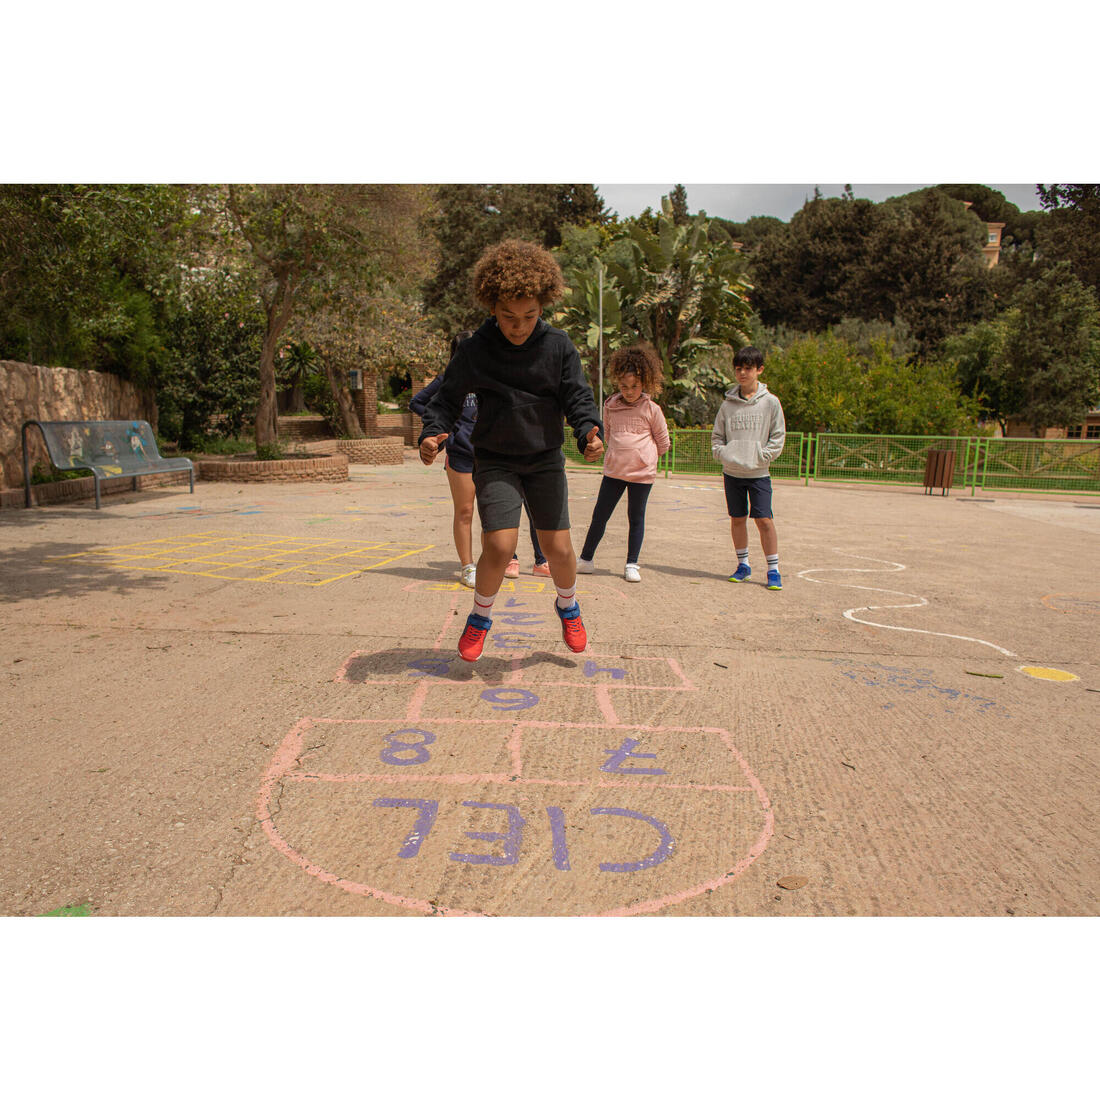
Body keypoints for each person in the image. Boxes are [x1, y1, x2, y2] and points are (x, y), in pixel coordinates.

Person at [418, 238, 604, 662]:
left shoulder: (557, 346)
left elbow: (577, 396)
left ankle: (568, 606)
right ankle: (480, 617)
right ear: (492, 307)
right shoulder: (475, 349)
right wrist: (432, 433)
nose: (518, 327)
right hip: (496, 459)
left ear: (543, 307)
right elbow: (445, 400)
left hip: (543, 459)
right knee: (500, 547)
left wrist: (588, 432)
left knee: (558, 549)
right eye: (508, 317)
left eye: (529, 317)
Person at [410, 335, 549, 588]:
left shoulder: (493, 377)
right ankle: (467, 566)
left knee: (492, 514)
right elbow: (418, 402)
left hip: (491, 454)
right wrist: (444, 427)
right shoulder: (448, 381)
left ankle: (491, 564)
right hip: (461, 455)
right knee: (464, 511)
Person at [575, 343, 669, 582]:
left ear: (644, 383)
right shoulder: (610, 405)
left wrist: (645, 458)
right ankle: (586, 559)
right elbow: (607, 434)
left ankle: (632, 564)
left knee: (636, 517)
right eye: (624, 386)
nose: (629, 391)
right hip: (614, 472)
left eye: (635, 386)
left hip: (641, 475)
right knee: (600, 515)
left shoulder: (652, 409)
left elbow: (663, 442)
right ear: (617, 383)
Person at [711, 345, 786, 589]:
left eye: (748, 368)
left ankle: (773, 569)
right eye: (739, 369)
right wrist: (725, 455)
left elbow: (778, 436)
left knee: (764, 519)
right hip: (732, 472)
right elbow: (717, 438)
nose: (743, 373)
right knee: (737, 518)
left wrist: (761, 457)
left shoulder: (771, 403)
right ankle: (743, 565)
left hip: (758, 473)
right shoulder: (727, 405)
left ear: (759, 370)